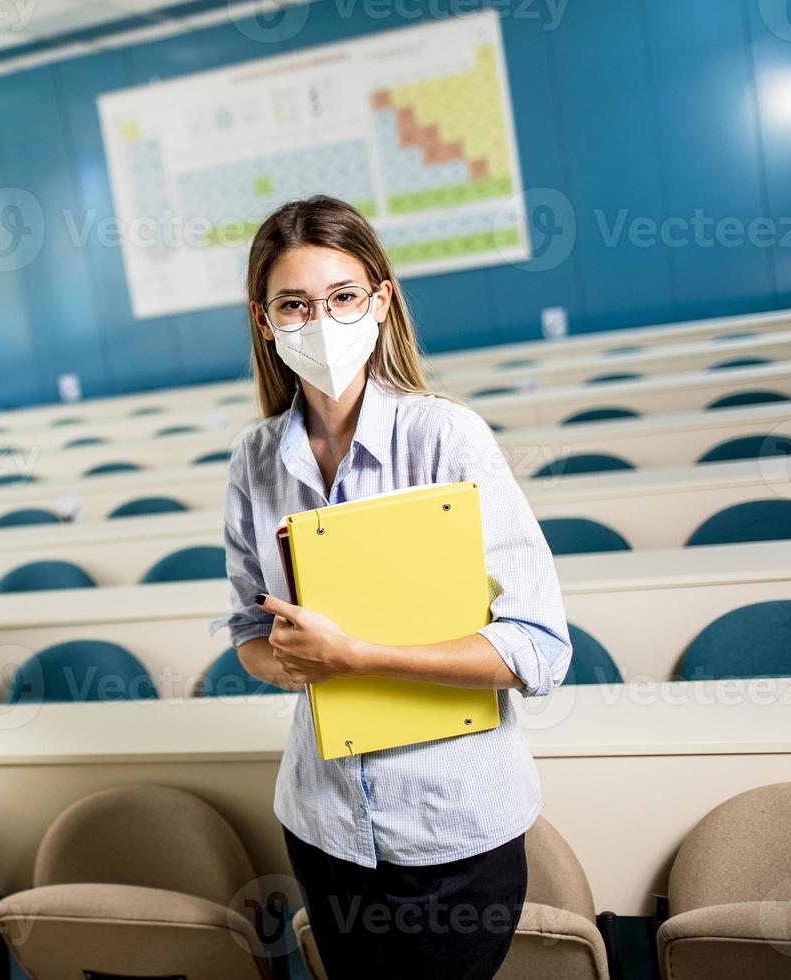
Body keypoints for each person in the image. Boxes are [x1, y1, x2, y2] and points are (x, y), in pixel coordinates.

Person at [218, 195, 572, 979]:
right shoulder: (254, 460)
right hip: (322, 825)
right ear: (264, 321)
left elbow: (538, 649)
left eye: (343, 297)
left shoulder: (446, 435)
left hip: (450, 827)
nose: (321, 321)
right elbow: (251, 640)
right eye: (294, 305)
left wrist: (358, 656)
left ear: (380, 301)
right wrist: (292, 660)